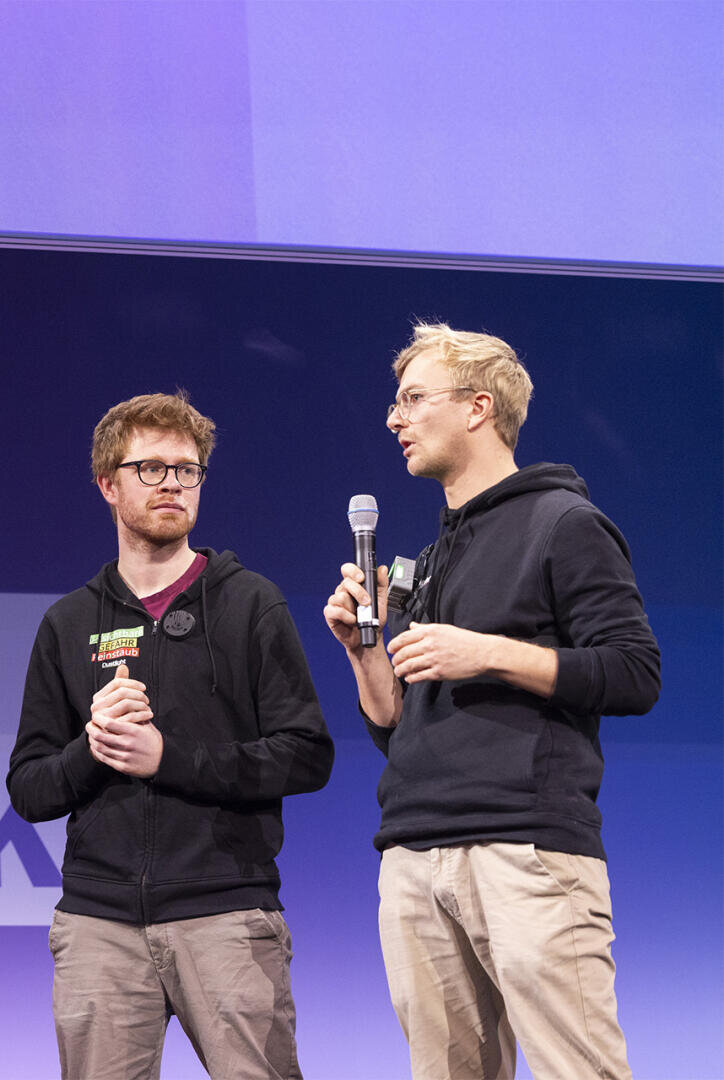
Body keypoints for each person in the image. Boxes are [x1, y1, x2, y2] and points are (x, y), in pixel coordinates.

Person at [323, 323, 660, 1080]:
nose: (393, 418)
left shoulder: (565, 524)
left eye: (412, 399)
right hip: (414, 851)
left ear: (478, 407)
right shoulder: (435, 554)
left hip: (526, 851)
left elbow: (635, 672)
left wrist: (489, 653)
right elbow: (395, 726)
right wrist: (363, 650)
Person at [8, 390, 333, 1080]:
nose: (172, 485)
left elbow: (305, 755)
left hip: (227, 913)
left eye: (187, 470)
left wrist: (168, 759)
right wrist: (93, 750)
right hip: (99, 924)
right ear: (108, 483)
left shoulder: (250, 603)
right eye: (150, 469)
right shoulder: (68, 624)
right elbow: (30, 787)